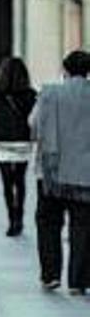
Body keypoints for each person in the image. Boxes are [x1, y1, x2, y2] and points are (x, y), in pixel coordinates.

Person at [30, 50, 90, 295]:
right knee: (83, 226)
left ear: (65, 70)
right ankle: (78, 280)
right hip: (85, 173)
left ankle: (51, 274)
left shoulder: (50, 93)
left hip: (51, 172)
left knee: (48, 222)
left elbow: (33, 125)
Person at [0, 58, 36, 237]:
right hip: (22, 142)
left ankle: (11, 219)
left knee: (7, 183)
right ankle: (19, 216)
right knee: (20, 181)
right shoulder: (30, 95)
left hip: (2, 144)